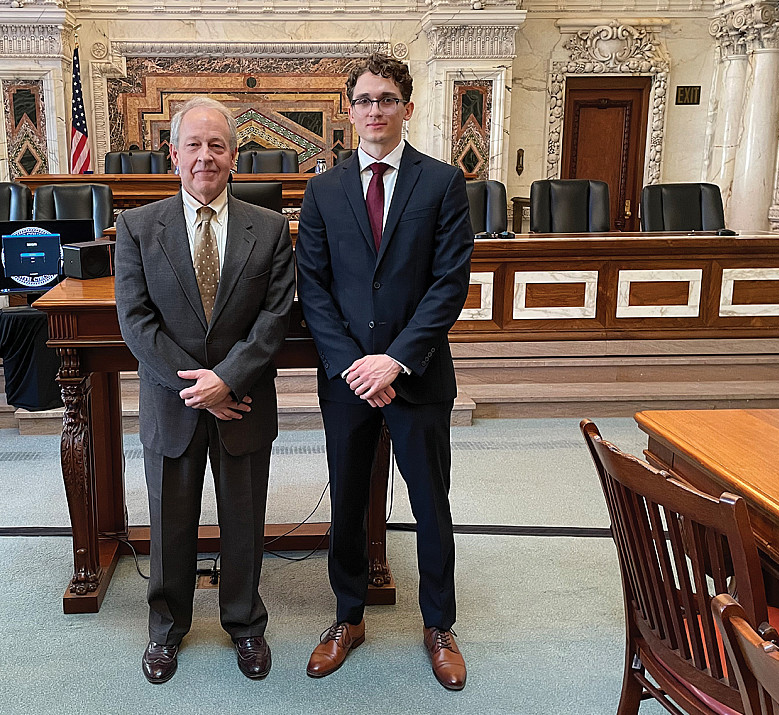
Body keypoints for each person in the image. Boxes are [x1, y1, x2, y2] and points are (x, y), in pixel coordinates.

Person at [296, 53, 475, 691]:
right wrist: (354, 365)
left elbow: (448, 283)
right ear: (349, 110)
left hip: (416, 374)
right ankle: (347, 617)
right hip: (348, 381)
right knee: (346, 502)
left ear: (406, 106)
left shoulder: (442, 182)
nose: (375, 110)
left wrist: (395, 359)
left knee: (431, 505)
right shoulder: (323, 189)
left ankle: (439, 624)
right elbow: (312, 287)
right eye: (365, 99)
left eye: (387, 99)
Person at [114, 97, 295, 684]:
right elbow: (137, 324)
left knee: (245, 522)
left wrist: (228, 380)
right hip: (174, 404)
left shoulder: (268, 229)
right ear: (173, 155)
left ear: (234, 155)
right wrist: (201, 388)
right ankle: (166, 631)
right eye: (193, 145)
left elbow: (275, 319)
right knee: (169, 525)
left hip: (243, 401)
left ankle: (245, 625)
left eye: (217, 145)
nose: (205, 156)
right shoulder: (139, 227)